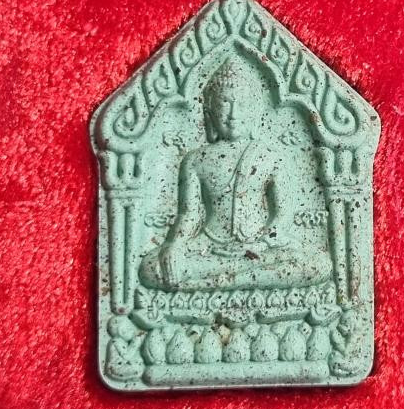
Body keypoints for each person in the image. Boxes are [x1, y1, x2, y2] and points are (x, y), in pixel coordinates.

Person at [139, 57, 332, 291]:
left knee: (318, 264)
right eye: (224, 104)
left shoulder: (271, 156)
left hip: (260, 248)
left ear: (255, 111)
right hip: (209, 245)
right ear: (210, 111)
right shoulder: (196, 159)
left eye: (242, 104)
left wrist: (260, 244)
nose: (233, 114)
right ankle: (239, 279)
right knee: (150, 267)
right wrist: (175, 244)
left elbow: (282, 215)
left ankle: (221, 282)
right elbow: (190, 214)